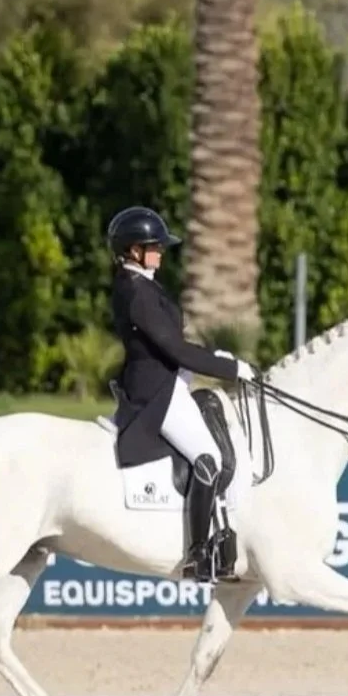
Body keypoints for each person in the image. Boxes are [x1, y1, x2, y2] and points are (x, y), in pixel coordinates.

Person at [107, 205, 256, 582]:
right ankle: (197, 553)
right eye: (154, 246)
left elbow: (174, 344)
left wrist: (213, 357)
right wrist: (231, 369)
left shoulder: (142, 284)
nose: (161, 252)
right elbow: (173, 350)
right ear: (133, 250)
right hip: (157, 392)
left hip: (171, 382)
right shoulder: (136, 292)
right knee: (207, 458)